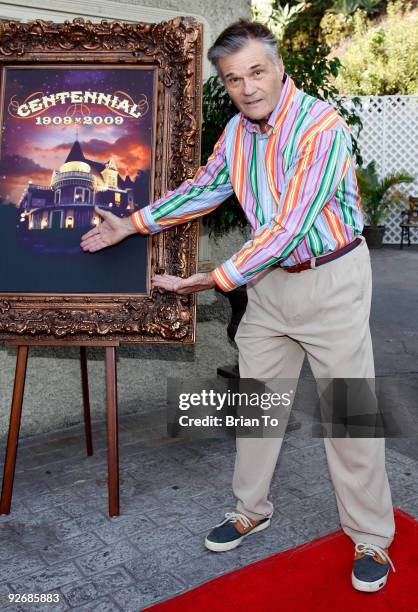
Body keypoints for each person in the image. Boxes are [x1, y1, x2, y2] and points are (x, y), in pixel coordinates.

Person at [80, 19, 396, 593]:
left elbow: (290, 224)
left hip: (332, 281)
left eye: (256, 71)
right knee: (256, 406)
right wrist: (129, 224)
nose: (247, 88)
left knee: (349, 412)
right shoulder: (237, 131)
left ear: (279, 68)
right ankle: (251, 508)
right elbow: (206, 187)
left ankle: (371, 535)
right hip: (269, 283)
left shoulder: (320, 127)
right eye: (232, 80)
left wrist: (215, 278)